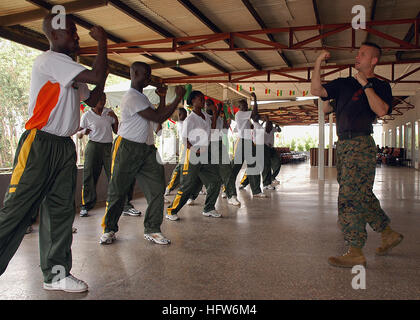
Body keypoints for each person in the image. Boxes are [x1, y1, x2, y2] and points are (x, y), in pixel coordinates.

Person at [0, 14, 108, 293]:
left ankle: (56, 275)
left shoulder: (69, 69)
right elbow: (96, 74)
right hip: (39, 143)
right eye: (71, 31)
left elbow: (93, 97)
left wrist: (102, 77)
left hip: (63, 147)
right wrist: (102, 44)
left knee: (60, 212)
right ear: (54, 34)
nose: (76, 36)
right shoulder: (49, 60)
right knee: (17, 210)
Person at [311, 42, 404, 268]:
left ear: (374, 60)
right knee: (360, 192)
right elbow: (317, 91)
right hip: (343, 145)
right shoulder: (344, 84)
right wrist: (318, 63)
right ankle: (387, 232)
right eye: (357, 53)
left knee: (349, 197)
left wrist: (366, 85)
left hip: (361, 143)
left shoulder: (381, 86)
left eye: (363, 54)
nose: (357, 57)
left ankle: (355, 249)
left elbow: (381, 110)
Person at [100, 61, 186, 245]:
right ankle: (109, 229)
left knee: (157, 189)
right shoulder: (132, 97)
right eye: (146, 74)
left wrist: (163, 97)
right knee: (117, 190)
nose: (149, 78)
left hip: (147, 150)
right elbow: (158, 117)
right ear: (135, 73)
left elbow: (158, 117)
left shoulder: (142, 98)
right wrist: (178, 98)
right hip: (127, 148)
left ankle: (153, 229)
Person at [77, 93, 141, 217]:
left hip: (108, 147)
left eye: (104, 99)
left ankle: (125, 205)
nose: (102, 101)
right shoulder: (87, 115)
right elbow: (79, 134)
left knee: (115, 175)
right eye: (100, 98)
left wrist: (116, 119)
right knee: (89, 175)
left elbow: (117, 131)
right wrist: (84, 131)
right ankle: (86, 206)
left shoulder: (109, 112)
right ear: (94, 100)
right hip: (93, 146)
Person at [166, 91, 222, 221]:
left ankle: (209, 208)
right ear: (193, 101)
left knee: (215, 180)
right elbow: (184, 138)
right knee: (187, 185)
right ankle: (171, 210)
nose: (203, 101)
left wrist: (214, 113)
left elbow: (212, 129)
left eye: (203, 99)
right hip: (192, 154)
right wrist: (194, 149)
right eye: (200, 99)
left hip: (205, 153)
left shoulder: (204, 116)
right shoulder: (190, 119)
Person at [225, 93, 267, 199]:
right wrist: (255, 99)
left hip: (248, 141)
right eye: (243, 105)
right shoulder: (239, 114)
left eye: (246, 105)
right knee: (235, 167)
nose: (245, 107)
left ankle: (256, 191)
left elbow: (255, 115)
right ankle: (226, 190)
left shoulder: (245, 116)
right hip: (241, 141)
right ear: (239, 107)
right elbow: (255, 113)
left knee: (253, 166)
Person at [206, 99, 240, 206]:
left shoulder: (219, 117)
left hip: (219, 144)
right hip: (206, 146)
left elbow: (225, 130)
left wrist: (224, 113)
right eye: (208, 106)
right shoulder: (204, 118)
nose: (210, 108)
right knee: (201, 173)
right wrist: (217, 111)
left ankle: (231, 195)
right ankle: (192, 196)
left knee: (227, 170)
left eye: (212, 106)